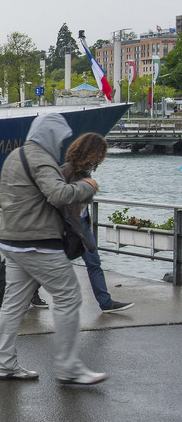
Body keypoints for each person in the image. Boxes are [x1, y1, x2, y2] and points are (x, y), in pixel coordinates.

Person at [0, 113, 104, 384]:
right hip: (38, 242)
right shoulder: (41, 158)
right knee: (69, 296)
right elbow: (58, 195)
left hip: (11, 240)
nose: (62, 144)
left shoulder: (14, 156)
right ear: (50, 135)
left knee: (13, 304)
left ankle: (4, 364)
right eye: (60, 138)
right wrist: (87, 186)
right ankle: (69, 368)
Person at [62, 133, 133, 314]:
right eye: (99, 152)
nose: (101, 155)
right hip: (69, 226)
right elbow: (58, 197)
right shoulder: (67, 170)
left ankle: (105, 302)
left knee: (94, 262)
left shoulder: (85, 171)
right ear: (88, 150)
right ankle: (31, 293)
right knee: (53, 263)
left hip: (82, 224)